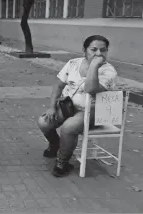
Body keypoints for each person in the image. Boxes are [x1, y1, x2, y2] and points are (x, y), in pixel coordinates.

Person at [37, 35, 117, 177]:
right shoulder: (73, 63)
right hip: (69, 106)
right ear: (84, 50)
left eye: (103, 50)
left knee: (69, 127)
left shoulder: (108, 71)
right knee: (44, 122)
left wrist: (93, 66)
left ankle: (62, 162)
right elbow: (58, 86)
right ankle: (55, 144)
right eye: (93, 49)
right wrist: (52, 107)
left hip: (95, 111)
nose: (98, 53)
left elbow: (90, 89)